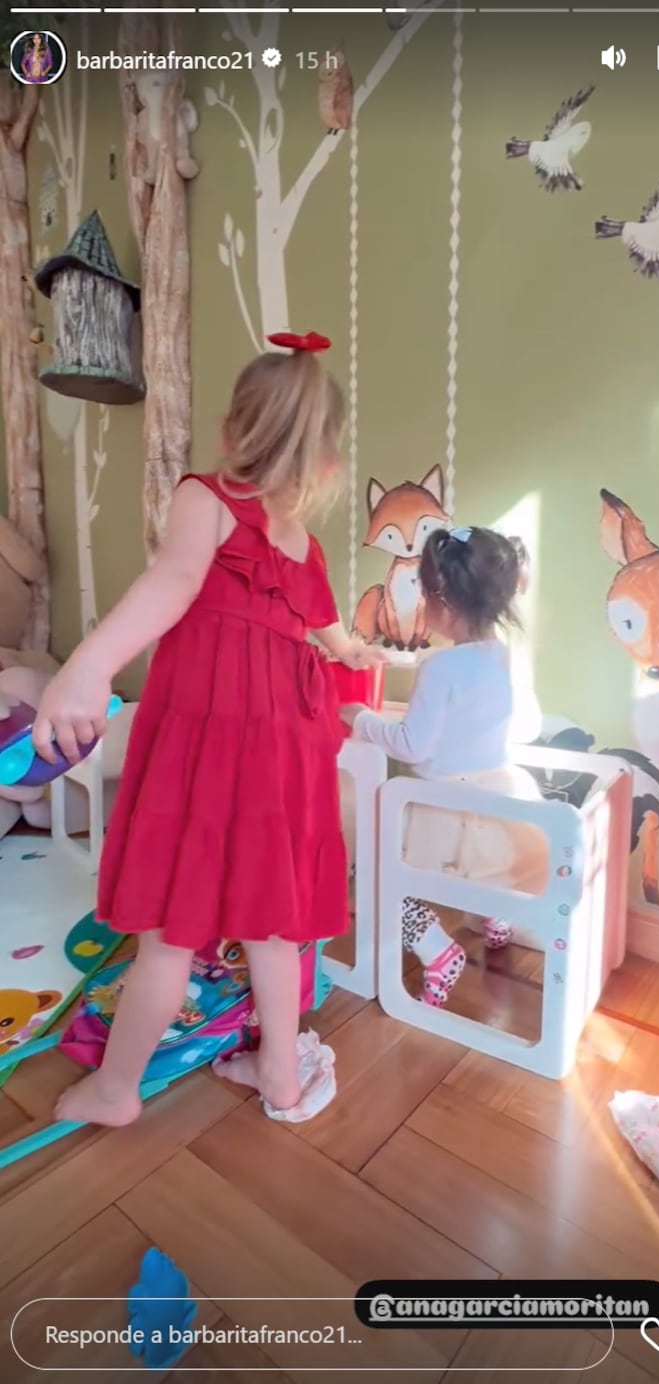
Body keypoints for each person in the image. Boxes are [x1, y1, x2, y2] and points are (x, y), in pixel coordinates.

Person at [32, 331, 383, 1127]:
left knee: (166, 934)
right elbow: (334, 639)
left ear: (233, 432)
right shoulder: (305, 544)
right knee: (267, 923)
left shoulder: (206, 498)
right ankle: (282, 1081)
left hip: (217, 741)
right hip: (288, 746)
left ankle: (117, 1091)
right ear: (324, 464)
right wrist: (361, 650)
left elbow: (174, 579)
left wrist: (86, 665)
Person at [342, 526, 544, 1007]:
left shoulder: (440, 667)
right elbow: (503, 723)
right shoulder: (506, 657)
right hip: (496, 799)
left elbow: (412, 744)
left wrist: (362, 719)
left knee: (376, 874)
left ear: (445, 606)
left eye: (423, 593)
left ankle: (436, 952)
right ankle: (495, 917)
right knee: (490, 867)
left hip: (444, 810)